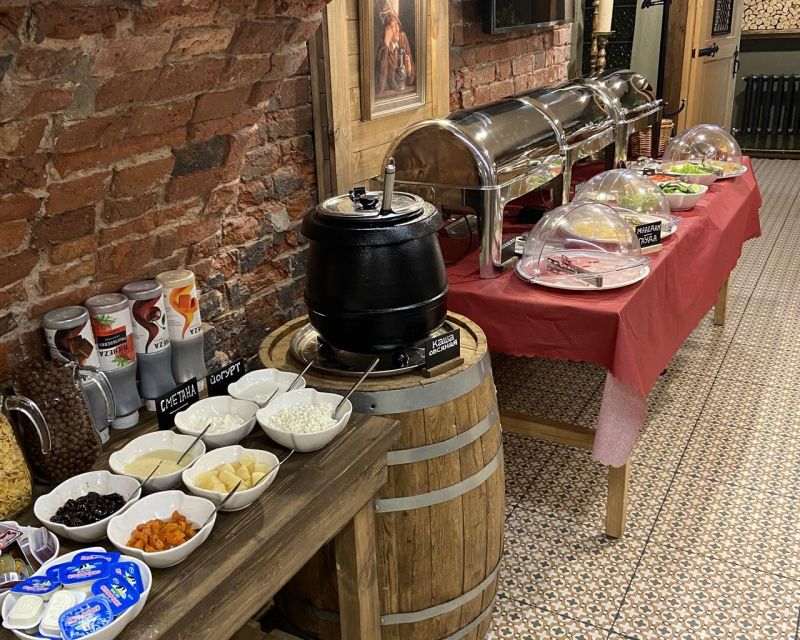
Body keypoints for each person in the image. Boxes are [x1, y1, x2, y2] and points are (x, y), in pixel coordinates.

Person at [375, 4, 415, 97]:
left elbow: (411, 81)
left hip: (403, 95)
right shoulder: (382, 47)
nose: (397, 29)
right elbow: (380, 86)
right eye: (393, 25)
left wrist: (409, 70)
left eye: (398, 25)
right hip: (388, 98)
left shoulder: (402, 38)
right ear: (387, 30)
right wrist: (386, 44)